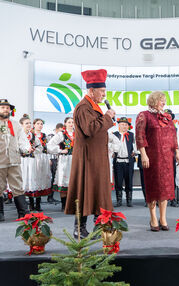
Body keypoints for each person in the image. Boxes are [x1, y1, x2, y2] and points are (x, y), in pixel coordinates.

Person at [65, 69, 115, 239]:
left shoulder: (91, 106)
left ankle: (97, 227)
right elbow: (90, 129)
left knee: (95, 191)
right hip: (88, 159)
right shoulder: (83, 107)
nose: (104, 95)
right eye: (102, 91)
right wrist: (108, 117)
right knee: (86, 191)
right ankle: (79, 228)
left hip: (95, 157)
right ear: (91, 91)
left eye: (104, 91)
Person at [136, 91, 179, 231]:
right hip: (152, 158)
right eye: (162, 100)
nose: (164, 102)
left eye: (165, 100)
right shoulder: (144, 115)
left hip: (167, 158)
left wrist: (177, 151)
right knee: (153, 187)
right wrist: (143, 154)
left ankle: (163, 218)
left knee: (166, 188)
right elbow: (140, 136)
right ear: (154, 100)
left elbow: (173, 136)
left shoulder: (167, 117)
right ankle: (153, 218)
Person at [0, 99, 30, 221]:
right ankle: (0, 213)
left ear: (10, 110)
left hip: (14, 160)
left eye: (7, 107)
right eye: (2, 107)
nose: (5, 109)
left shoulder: (16, 125)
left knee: (17, 186)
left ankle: (23, 212)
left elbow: (22, 139)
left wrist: (25, 148)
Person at [47, 117, 75, 212]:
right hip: (65, 160)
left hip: (76, 160)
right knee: (64, 181)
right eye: (69, 122)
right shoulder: (61, 134)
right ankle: (64, 204)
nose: (71, 124)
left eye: (72, 122)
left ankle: (73, 204)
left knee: (75, 182)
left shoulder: (78, 133)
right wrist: (60, 150)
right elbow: (50, 145)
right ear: (65, 124)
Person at [19, 114, 44, 211]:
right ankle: (22, 206)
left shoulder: (33, 136)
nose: (29, 125)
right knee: (23, 181)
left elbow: (40, 147)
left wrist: (34, 150)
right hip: (22, 160)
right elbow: (16, 147)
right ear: (21, 125)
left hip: (31, 160)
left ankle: (32, 204)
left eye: (29, 123)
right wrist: (25, 150)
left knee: (31, 180)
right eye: (26, 123)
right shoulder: (19, 135)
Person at [112, 117, 136, 207]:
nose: (124, 126)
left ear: (128, 126)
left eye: (126, 125)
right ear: (119, 125)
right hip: (118, 161)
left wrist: (135, 152)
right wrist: (111, 152)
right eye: (122, 124)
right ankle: (119, 200)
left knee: (129, 180)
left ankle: (129, 200)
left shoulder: (131, 135)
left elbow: (135, 145)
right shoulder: (114, 135)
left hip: (128, 161)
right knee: (118, 181)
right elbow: (110, 145)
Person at [47, 123, 63, 203]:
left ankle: (51, 196)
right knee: (53, 178)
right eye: (60, 130)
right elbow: (48, 147)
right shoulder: (51, 136)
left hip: (59, 159)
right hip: (53, 159)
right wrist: (49, 158)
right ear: (56, 129)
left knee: (57, 177)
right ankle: (50, 196)